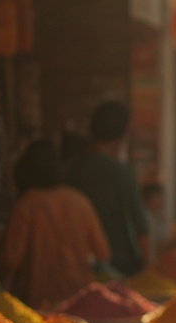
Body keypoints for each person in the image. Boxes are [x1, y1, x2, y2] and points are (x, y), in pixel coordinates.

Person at [0, 139, 110, 308]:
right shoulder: (79, 201)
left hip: (37, 306)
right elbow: (103, 253)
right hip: (80, 303)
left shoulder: (26, 205)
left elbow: (11, 260)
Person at [67, 101, 149, 276]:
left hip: (77, 263)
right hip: (120, 264)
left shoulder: (71, 169)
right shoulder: (121, 173)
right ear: (125, 132)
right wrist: (148, 272)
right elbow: (141, 229)